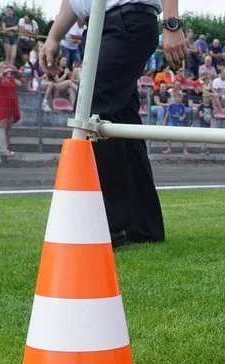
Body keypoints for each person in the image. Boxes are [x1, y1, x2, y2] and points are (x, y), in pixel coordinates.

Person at [42, 0, 187, 247]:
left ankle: (111, 224)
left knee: (93, 108)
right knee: (121, 119)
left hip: (127, 19)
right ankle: (142, 227)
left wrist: (172, 23)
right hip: (101, 24)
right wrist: (54, 36)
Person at [0, 61, 20, 153]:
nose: (5, 69)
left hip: (11, 104)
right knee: (3, 127)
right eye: (3, 67)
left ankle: (7, 147)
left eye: (6, 67)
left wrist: (15, 71)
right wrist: (3, 74)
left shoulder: (11, 79)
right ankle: (1, 147)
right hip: (2, 104)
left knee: (9, 128)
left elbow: (19, 83)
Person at [163, 89, 189, 154]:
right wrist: (164, 120)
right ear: (174, 98)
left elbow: (185, 113)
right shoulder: (171, 105)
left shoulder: (182, 105)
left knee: (183, 135)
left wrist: (182, 117)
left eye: (179, 97)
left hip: (180, 122)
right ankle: (169, 149)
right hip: (172, 121)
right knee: (169, 135)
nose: (178, 99)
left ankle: (185, 150)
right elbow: (167, 113)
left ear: (181, 98)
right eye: (176, 97)